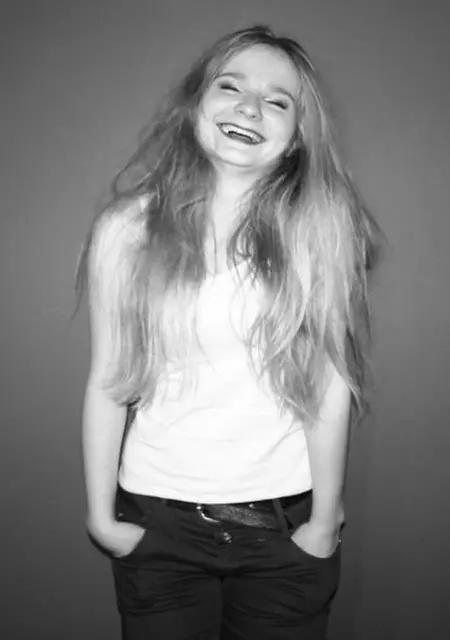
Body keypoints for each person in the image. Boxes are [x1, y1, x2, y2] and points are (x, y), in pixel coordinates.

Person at [79, 25, 380, 640]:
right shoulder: (126, 230)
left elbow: (329, 386)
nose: (249, 107)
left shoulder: (321, 231)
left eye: (277, 100)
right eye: (231, 86)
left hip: (283, 531)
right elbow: (109, 382)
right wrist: (101, 518)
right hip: (158, 527)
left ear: (297, 137)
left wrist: (324, 523)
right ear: (196, 103)